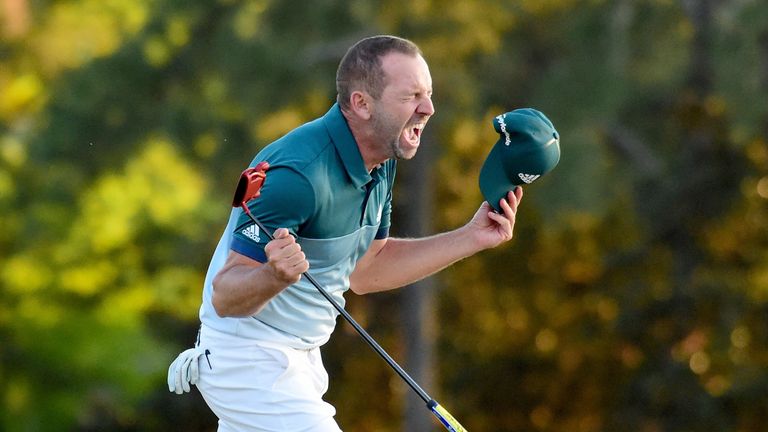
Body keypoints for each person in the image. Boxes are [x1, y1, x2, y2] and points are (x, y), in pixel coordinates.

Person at [168, 34, 524, 432]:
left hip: (302, 361)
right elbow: (226, 296)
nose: (428, 109)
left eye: (428, 94)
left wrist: (471, 236)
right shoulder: (296, 175)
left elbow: (366, 271)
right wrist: (273, 275)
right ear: (361, 104)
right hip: (247, 359)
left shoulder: (381, 158)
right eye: (411, 97)